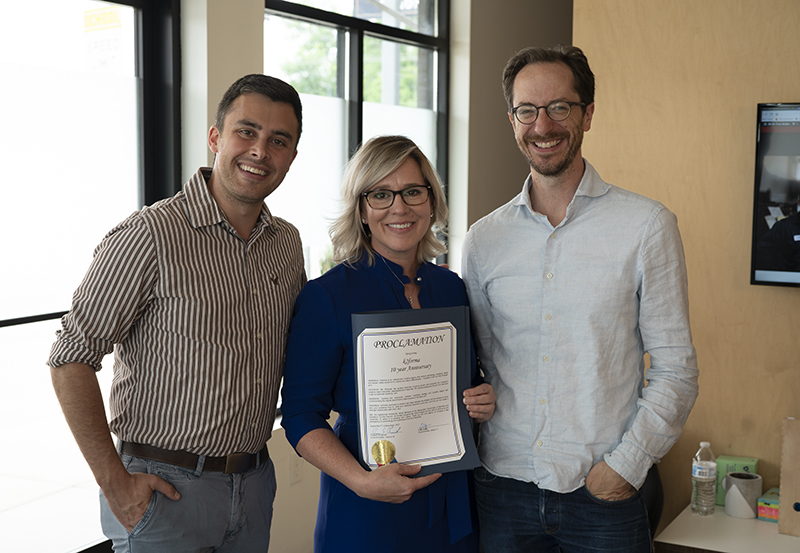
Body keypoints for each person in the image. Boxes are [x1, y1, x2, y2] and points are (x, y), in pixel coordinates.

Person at [48, 74, 306, 552]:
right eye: (245, 131)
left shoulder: (286, 243)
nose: (259, 151)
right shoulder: (149, 235)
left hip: (253, 484)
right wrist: (115, 485)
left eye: (278, 141)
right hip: (163, 490)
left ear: (291, 157)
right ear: (215, 137)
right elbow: (70, 358)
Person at [461, 45, 699, 552]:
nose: (543, 125)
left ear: (588, 114)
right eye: (528, 110)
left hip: (603, 498)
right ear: (512, 120)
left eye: (560, 107)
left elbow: (676, 369)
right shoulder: (483, 240)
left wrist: (625, 466)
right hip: (503, 489)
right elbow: (480, 363)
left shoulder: (647, 226)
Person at [280, 135, 496, 552]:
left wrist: (482, 399)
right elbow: (301, 415)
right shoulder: (327, 296)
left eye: (413, 191)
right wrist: (361, 481)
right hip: (368, 510)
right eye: (381, 194)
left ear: (431, 201)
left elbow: (467, 383)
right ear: (362, 209)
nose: (400, 207)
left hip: (453, 505)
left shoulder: (452, 288)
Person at [755, 196, 800, 272]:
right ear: (799, 202)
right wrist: (777, 273)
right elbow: (762, 250)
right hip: (789, 280)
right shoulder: (784, 226)